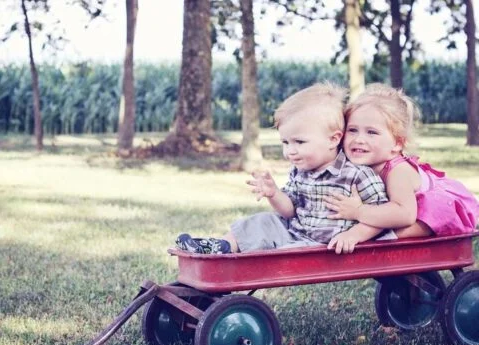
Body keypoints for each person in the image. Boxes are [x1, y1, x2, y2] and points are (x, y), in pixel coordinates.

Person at [176, 82, 392, 255]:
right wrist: (274, 194)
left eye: (299, 142)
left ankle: (240, 261)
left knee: (283, 255)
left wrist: (354, 235)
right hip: (295, 232)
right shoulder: (300, 170)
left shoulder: (357, 175)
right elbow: (289, 210)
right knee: (262, 221)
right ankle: (220, 247)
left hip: (322, 247)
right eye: (285, 143)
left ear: (333, 139)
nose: (290, 151)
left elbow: (381, 218)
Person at [324, 83, 479, 238]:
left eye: (371, 132)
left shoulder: (398, 172)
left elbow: (404, 214)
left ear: (397, 143)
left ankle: (384, 239)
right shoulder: (357, 161)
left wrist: (358, 211)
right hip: (402, 208)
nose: (359, 139)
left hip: (436, 209)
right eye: (352, 130)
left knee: (400, 228)